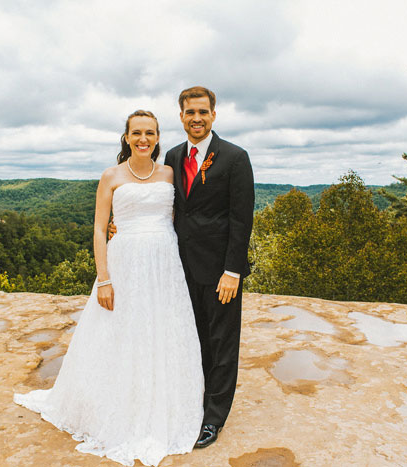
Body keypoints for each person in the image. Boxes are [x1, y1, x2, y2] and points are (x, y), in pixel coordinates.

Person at [14, 110, 204, 467]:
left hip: (164, 265)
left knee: (161, 332)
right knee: (120, 333)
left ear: (158, 136)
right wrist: (104, 278)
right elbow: (100, 229)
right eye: (136, 133)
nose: (143, 139)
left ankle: (161, 402)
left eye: (149, 133)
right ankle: (115, 407)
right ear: (127, 137)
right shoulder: (111, 176)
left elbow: (178, 219)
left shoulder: (169, 173)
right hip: (124, 263)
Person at [164, 86, 254, 448]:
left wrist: (233, 271)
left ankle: (213, 419)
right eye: (190, 112)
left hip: (220, 272)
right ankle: (191, 401)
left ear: (213, 115)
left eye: (203, 111)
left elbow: (241, 218)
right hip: (179, 268)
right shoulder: (171, 156)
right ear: (181, 116)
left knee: (221, 343)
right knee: (191, 338)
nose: (196, 118)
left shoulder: (234, 157)